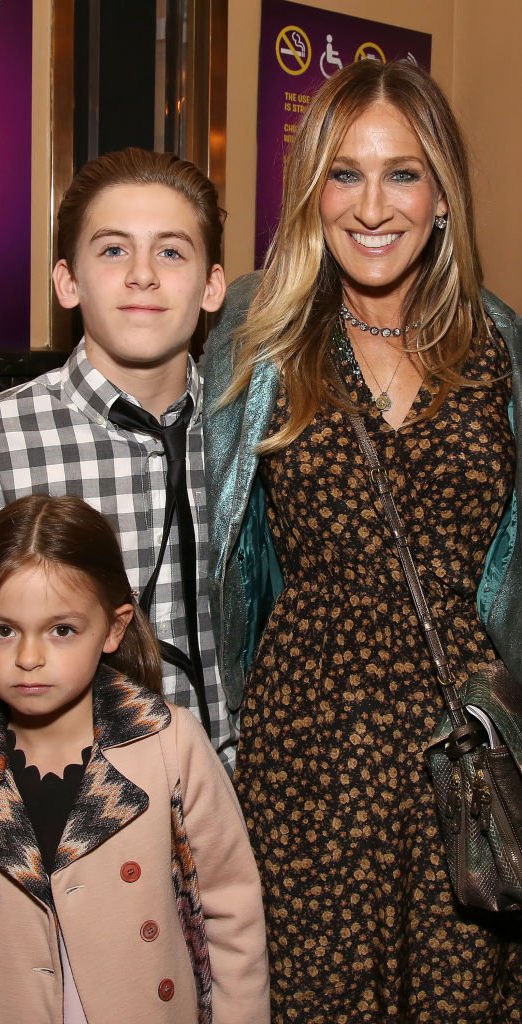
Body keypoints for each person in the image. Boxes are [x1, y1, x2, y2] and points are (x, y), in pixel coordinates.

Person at [204, 59, 522, 1022]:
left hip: (467, 749)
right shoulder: (260, 337)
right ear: (312, 192)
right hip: (308, 746)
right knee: (318, 996)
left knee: (470, 996)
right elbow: (163, 450)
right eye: (344, 174)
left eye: (401, 173)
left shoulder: (500, 344)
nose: (371, 205)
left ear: (440, 198)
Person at [0, 493, 269, 1023]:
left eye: (62, 630)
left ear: (114, 628)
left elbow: (232, 911)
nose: (29, 658)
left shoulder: (168, 746)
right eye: (3, 630)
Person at [0, 147, 236, 768]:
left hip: (243, 798)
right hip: (69, 812)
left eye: (172, 251)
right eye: (113, 249)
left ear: (211, 287)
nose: (143, 275)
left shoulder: (252, 430)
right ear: (68, 281)